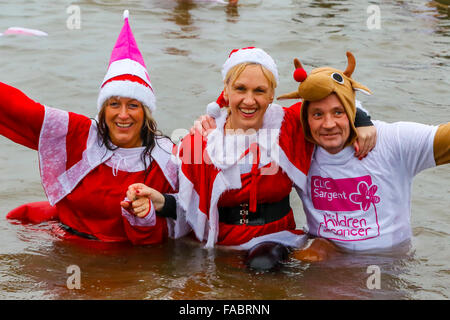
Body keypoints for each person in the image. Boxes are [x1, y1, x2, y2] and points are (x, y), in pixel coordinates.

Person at [127, 47, 376, 270]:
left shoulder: (289, 125)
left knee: (262, 266)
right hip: (221, 245)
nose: (249, 100)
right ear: (225, 92)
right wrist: (160, 202)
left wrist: (363, 122)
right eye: (240, 89)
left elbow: (335, 100)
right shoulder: (201, 141)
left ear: (271, 95)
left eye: (259, 91)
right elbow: (190, 206)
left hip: (276, 240)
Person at [1, 10, 179, 245]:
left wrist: (151, 210)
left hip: (126, 262)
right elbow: (20, 110)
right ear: (103, 110)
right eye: (114, 104)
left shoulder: (168, 158)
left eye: (133, 105)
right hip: (65, 244)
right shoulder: (80, 133)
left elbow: (195, 212)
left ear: (146, 112)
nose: (123, 114)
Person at [274, 53, 450, 257]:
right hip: (328, 262)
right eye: (317, 114)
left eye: (338, 112)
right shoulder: (297, 149)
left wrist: (363, 119)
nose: (328, 124)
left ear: (352, 112)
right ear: (306, 118)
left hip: (387, 264)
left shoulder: (392, 141)